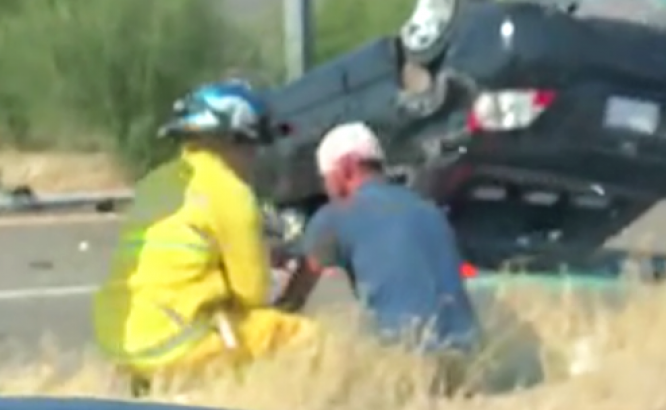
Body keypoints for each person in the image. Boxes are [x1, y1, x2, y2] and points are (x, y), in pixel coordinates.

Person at [92, 80, 316, 386]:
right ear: (231, 141)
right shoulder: (232, 193)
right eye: (252, 145)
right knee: (302, 337)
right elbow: (252, 294)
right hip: (175, 339)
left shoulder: (157, 181)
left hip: (118, 336)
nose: (254, 156)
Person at [276, 122, 481, 392]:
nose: (325, 187)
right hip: (472, 359)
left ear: (346, 168)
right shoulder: (428, 209)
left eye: (326, 177)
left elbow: (296, 298)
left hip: (407, 361)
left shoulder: (335, 215)